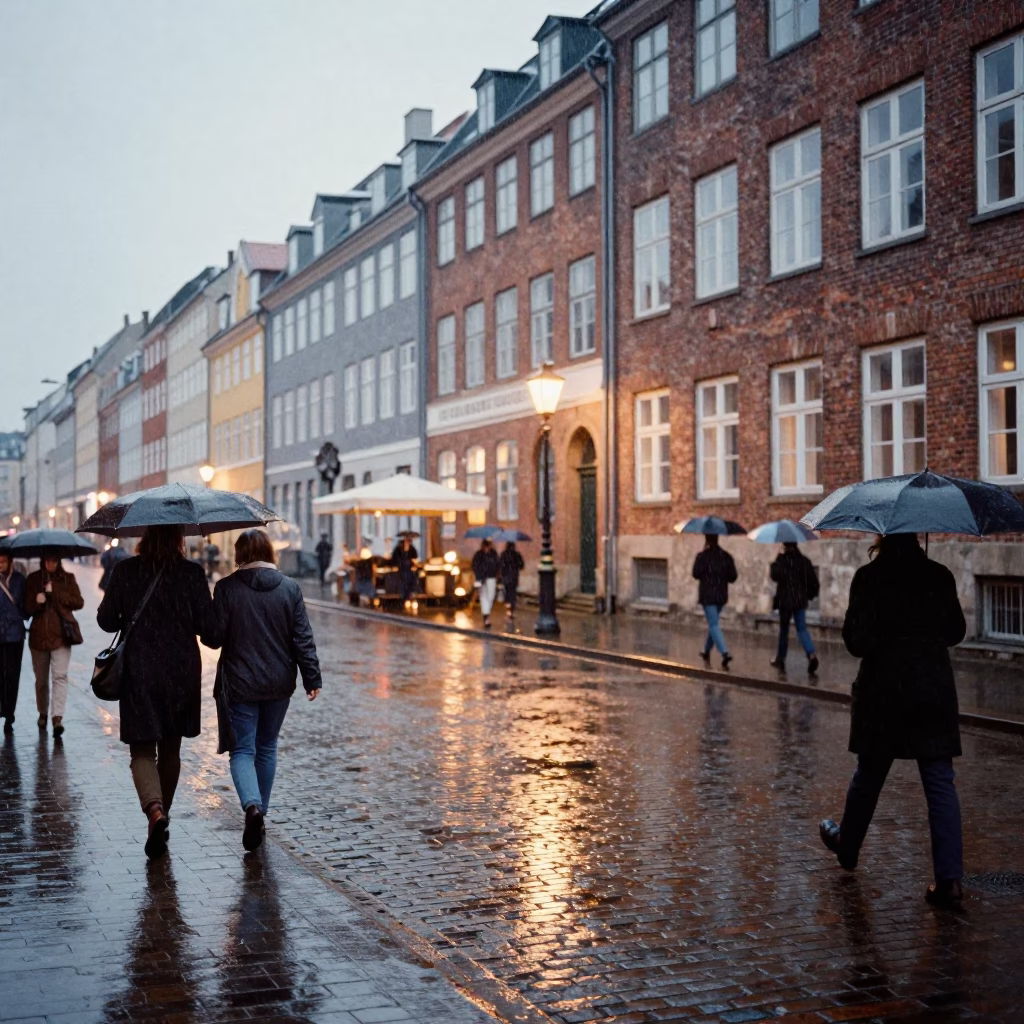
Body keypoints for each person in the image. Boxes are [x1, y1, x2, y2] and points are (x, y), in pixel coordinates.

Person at [819, 533, 967, 910]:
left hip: (883, 692)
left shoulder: (869, 578)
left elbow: (856, 642)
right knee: (939, 782)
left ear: (882, 536)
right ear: (918, 537)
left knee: (868, 774)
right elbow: (955, 632)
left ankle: (847, 848)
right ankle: (949, 881)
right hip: (930, 689)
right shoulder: (939, 575)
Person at [97, 524, 212, 859]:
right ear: (179, 539)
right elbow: (210, 629)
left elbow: (105, 620)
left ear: (143, 537)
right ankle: (161, 818)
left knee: (142, 751)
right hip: (181, 670)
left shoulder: (126, 570)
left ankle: (154, 812)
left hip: (140, 670)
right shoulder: (192, 573)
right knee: (171, 749)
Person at [204, 528, 322, 851]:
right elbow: (302, 638)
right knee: (267, 746)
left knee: (243, 749)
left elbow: (213, 637)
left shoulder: (227, 588)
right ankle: (260, 815)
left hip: (240, 683)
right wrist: (312, 678)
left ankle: (252, 807)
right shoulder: (290, 588)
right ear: (270, 553)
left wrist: (206, 616)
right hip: (279, 684)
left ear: (239, 555)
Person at [24, 552, 84, 738]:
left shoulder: (68, 578)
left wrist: (55, 591)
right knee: (41, 681)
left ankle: (57, 718)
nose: (51, 563)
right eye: (48, 560)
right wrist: (37, 601)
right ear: (43, 560)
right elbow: (25, 608)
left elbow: (78, 602)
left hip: (62, 637)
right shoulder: (33, 579)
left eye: (55, 560)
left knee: (60, 677)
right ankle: (43, 712)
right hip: (38, 638)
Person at [768, 542, 820, 675]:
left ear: (785, 546)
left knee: (784, 630)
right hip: (799, 601)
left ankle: (781, 659)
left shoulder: (782, 560)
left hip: (785, 601)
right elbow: (814, 583)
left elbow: (774, 575)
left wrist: (778, 556)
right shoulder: (804, 561)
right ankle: (811, 654)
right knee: (801, 629)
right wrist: (808, 596)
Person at [692, 533, 737, 669]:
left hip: (708, 595)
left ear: (706, 540)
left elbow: (695, 574)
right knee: (714, 624)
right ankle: (705, 651)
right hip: (721, 596)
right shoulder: (726, 556)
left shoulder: (702, 556)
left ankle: (724, 652)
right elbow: (733, 577)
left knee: (713, 625)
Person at [0, 552, 27, 734]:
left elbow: (25, 610)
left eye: (3, 561)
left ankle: (9, 713)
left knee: (12, 675)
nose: (0, 564)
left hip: (15, 636)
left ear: (10, 562)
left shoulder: (19, 580)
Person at [472, 538, 500, 628]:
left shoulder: (493, 554)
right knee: (484, 597)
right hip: (482, 579)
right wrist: (478, 576)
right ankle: (486, 616)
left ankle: (486, 613)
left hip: (491, 577)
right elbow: (475, 565)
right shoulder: (479, 555)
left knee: (491, 596)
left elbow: (497, 565)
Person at [499, 541, 524, 619]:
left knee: (507, 593)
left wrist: (501, 574)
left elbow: (500, 565)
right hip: (514, 578)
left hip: (506, 577)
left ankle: (508, 609)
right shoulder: (516, 555)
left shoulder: (503, 554)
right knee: (512, 594)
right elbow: (521, 566)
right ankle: (510, 611)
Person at [390, 535, 418, 603]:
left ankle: (409, 595)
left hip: (409, 570)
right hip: (402, 569)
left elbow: (414, 559)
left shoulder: (412, 549)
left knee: (411, 582)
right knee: (404, 582)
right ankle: (404, 596)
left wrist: (413, 565)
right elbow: (395, 559)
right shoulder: (398, 549)